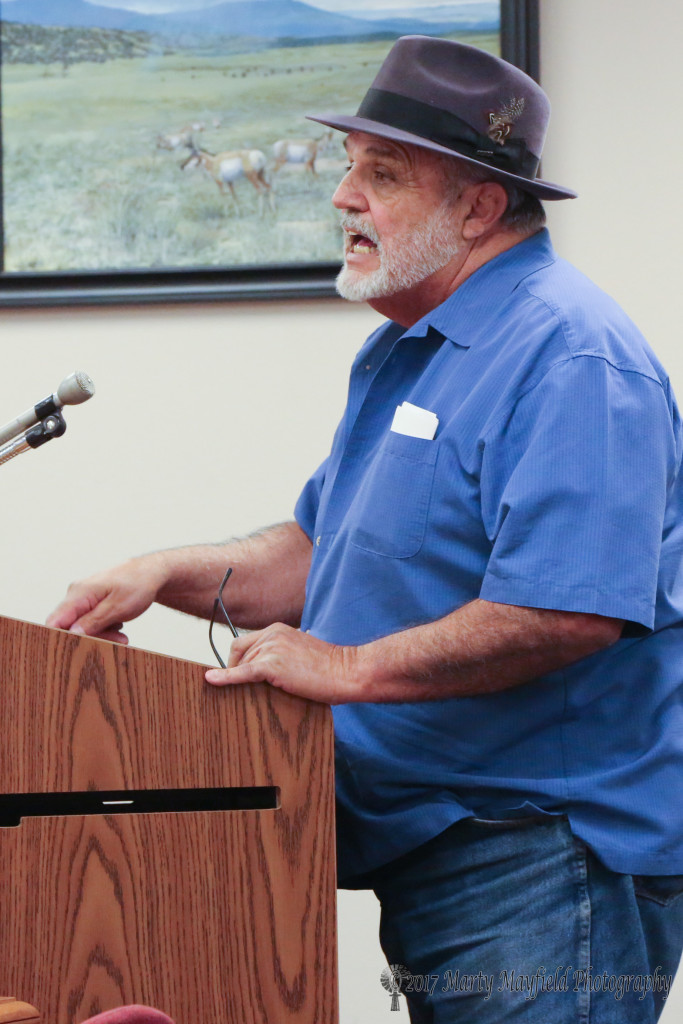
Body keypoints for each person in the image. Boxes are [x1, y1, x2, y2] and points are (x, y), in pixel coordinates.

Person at [48, 36, 683, 1024]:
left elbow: (565, 611)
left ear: (477, 207)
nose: (343, 197)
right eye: (349, 168)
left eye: (380, 175)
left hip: (543, 863)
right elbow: (316, 553)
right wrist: (161, 571)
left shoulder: (572, 357)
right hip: (434, 853)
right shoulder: (405, 351)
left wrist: (341, 669)